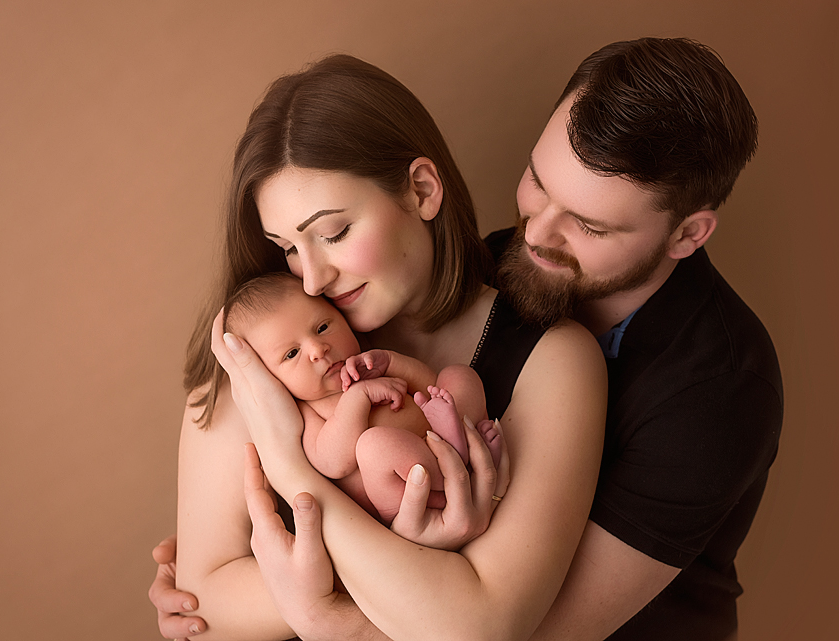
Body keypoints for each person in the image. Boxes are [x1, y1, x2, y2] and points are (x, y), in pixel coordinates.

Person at [152, 37, 783, 640]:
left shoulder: (714, 389)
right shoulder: (290, 332)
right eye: (537, 184)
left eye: (588, 225)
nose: (535, 235)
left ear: (685, 235)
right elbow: (203, 608)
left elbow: (491, 629)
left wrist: (320, 603)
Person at [155, 53, 606, 641]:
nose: (311, 280)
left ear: (421, 190)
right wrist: (411, 580)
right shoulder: (262, 354)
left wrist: (294, 479)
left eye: (334, 233)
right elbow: (202, 607)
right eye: (288, 247)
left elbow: (479, 625)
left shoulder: (555, 361)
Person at [222, 271, 501, 523]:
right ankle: (454, 478)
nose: (318, 349)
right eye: (291, 354)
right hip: (405, 496)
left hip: (438, 434)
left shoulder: (365, 363)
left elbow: (428, 388)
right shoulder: (307, 409)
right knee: (373, 446)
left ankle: (467, 443)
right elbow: (333, 462)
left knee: (457, 375)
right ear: (270, 378)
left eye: (322, 328)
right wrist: (358, 398)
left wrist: (392, 363)